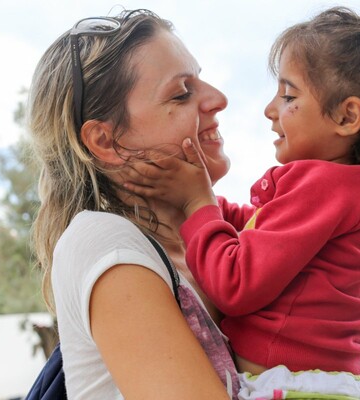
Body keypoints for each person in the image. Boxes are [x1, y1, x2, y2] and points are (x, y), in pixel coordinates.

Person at [124, 6, 360, 400]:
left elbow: (236, 284)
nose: (270, 110)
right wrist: (200, 202)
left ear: (347, 116)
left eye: (288, 95)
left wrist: (197, 204)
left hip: (292, 388)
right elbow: (262, 231)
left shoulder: (323, 186)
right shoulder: (345, 189)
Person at [28, 9, 240, 399]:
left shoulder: (231, 244)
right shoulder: (106, 243)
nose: (218, 99)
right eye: (181, 93)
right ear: (106, 142)